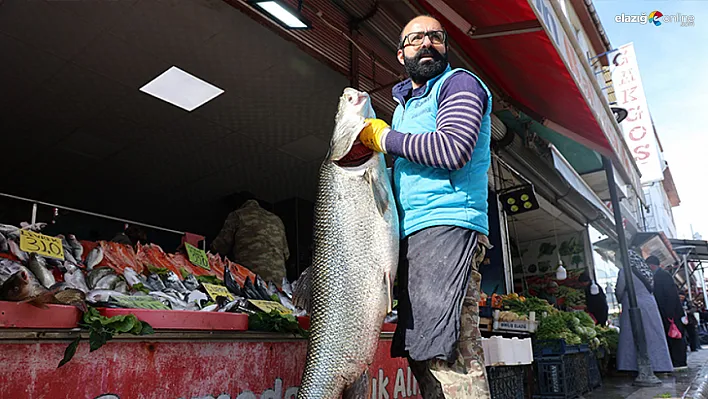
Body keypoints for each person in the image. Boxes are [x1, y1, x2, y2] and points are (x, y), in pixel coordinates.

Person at [358, 14, 493, 398]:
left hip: (447, 227)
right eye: (416, 39)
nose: (427, 43)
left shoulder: (459, 84)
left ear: (445, 46)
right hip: (413, 237)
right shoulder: (404, 109)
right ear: (401, 53)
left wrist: (384, 139)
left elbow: (452, 149)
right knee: (423, 356)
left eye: (435, 36)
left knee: (449, 354)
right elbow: (406, 160)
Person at [210, 192, 289, 285]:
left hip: (250, 278)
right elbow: (286, 254)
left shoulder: (238, 215)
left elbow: (220, 247)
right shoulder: (276, 220)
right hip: (279, 280)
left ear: (237, 205)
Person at [615, 250, 673, 373]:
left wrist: (619, 298)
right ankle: (660, 365)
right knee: (653, 334)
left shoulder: (625, 271)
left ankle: (630, 366)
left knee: (631, 334)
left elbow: (620, 290)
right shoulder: (646, 270)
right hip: (650, 305)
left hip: (633, 303)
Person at [646, 255, 688, 367]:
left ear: (652, 265)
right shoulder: (660, 276)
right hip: (668, 313)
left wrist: (669, 314)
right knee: (672, 336)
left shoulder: (663, 276)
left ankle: (679, 362)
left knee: (675, 336)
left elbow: (671, 296)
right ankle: (676, 361)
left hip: (670, 313)